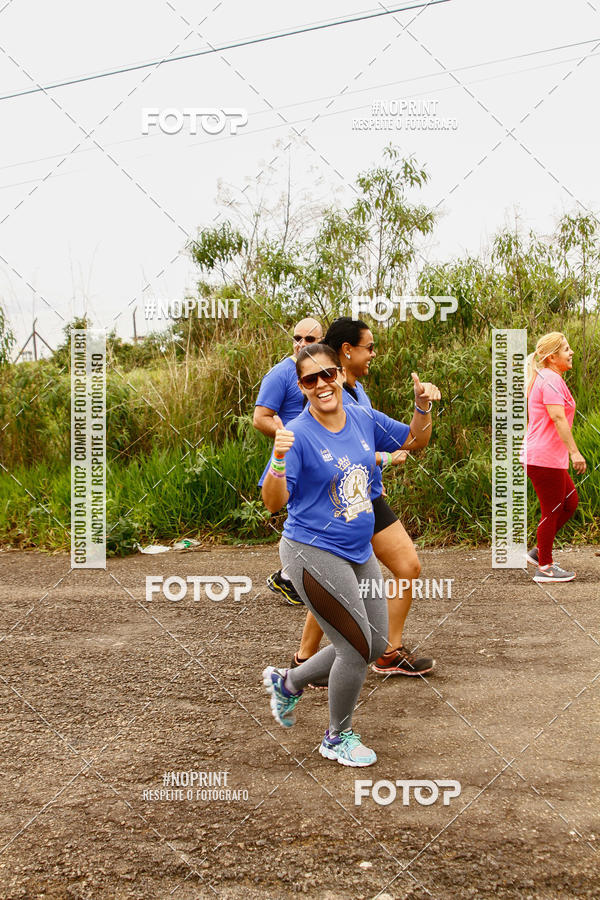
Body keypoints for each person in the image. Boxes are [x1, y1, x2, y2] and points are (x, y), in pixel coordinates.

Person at [261, 343, 419, 765]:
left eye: (328, 374)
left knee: (375, 643)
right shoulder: (297, 434)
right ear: (301, 386)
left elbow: (414, 439)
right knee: (353, 648)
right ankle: (337, 736)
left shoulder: (362, 417)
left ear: (341, 374)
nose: (321, 384)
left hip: (356, 547)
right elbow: (273, 503)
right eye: (310, 379)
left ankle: (289, 682)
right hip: (311, 551)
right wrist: (277, 458)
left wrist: (422, 407)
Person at [291, 317, 440, 679]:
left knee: (372, 573)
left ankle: (363, 653)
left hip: (367, 496)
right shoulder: (325, 398)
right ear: (347, 351)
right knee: (347, 578)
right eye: (369, 347)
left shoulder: (359, 400)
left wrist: (422, 408)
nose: (373, 353)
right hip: (338, 503)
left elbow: (414, 441)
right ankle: (321, 660)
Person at [253, 317, 323, 605]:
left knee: (316, 519)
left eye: (309, 339)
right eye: (297, 338)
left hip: (320, 459)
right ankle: (289, 577)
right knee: (302, 519)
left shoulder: (323, 372)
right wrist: (287, 436)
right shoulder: (280, 374)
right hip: (293, 460)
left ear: (322, 341)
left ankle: (295, 577)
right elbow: (260, 418)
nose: (302, 344)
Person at [521, 332, 585, 583]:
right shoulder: (549, 379)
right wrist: (575, 452)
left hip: (547, 456)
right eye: (566, 349)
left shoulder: (550, 377)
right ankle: (545, 567)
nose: (571, 353)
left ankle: (539, 552)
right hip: (544, 457)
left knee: (569, 503)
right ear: (551, 357)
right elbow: (557, 418)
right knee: (554, 508)